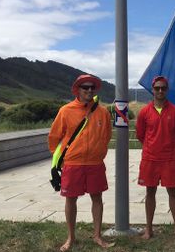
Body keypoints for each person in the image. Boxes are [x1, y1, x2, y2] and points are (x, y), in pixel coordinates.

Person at [48, 74, 113, 251]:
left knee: (97, 198)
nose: (89, 90)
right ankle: (71, 238)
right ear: (77, 89)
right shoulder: (65, 111)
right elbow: (54, 137)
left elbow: (106, 136)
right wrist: (58, 159)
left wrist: (99, 152)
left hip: (95, 163)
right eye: (85, 87)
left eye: (92, 87)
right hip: (73, 164)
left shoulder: (103, 112)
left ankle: (97, 236)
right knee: (70, 200)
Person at [136, 75, 175, 239]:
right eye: (157, 88)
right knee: (150, 193)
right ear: (152, 89)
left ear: (167, 90)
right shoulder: (144, 112)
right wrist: (153, 147)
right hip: (150, 159)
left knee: (173, 192)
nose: (160, 90)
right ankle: (148, 229)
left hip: (169, 159)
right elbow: (140, 135)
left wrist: (168, 146)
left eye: (163, 88)